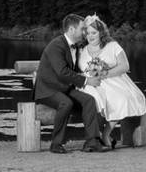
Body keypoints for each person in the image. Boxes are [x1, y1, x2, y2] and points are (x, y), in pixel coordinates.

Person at [33, 13, 109, 153]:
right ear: (72, 30)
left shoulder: (75, 46)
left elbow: (77, 67)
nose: (84, 32)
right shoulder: (57, 45)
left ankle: (92, 141)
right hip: (48, 90)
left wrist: (96, 71)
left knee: (89, 100)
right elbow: (62, 72)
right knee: (66, 103)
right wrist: (87, 80)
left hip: (64, 88)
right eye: (82, 29)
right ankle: (56, 144)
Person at [77, 14, 146, 148]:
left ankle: (106, 133)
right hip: (91, 83)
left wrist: (105, 72)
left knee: (121, 99)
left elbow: (125, 66)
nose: (90, 36)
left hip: (113, 79)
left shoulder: (112, 45)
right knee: (95, 99)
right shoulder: (82, 50)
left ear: (101, 32)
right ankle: (95, 138)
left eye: (94, 33)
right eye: (88, 33)